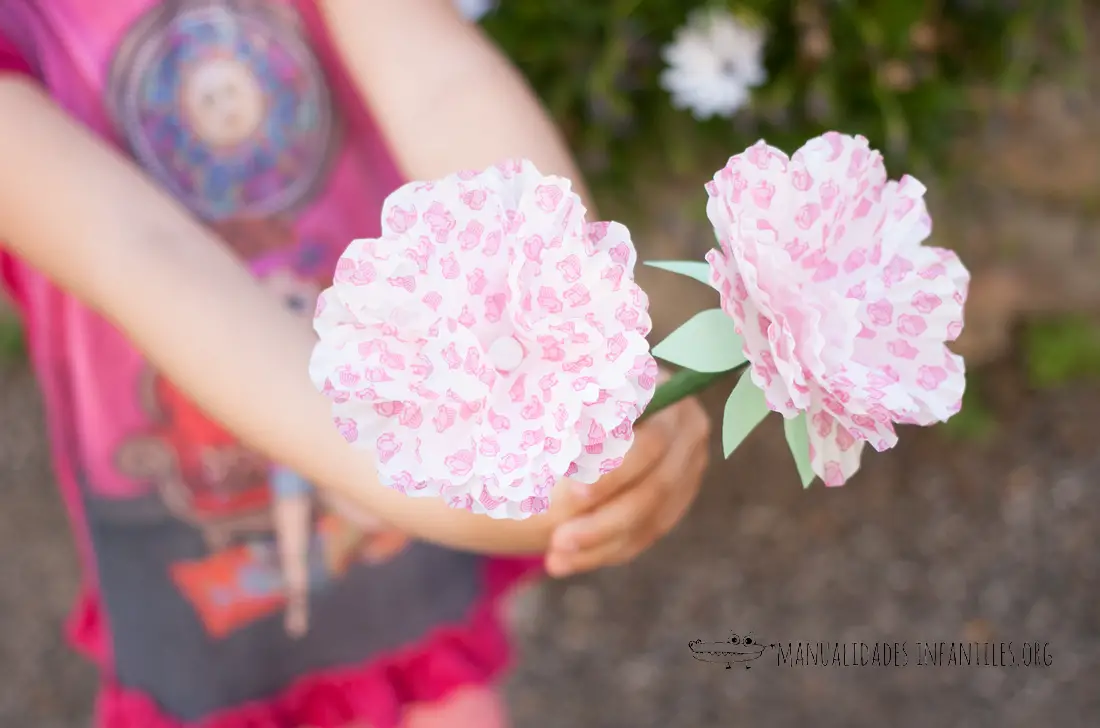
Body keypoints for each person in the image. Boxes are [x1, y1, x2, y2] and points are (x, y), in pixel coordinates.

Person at [0, 1, 711, 726]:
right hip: (215, 523)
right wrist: (448, 471)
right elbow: (137, 250)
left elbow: (445, 88)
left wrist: (594, 364)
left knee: (433, 675)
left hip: (424, 468)